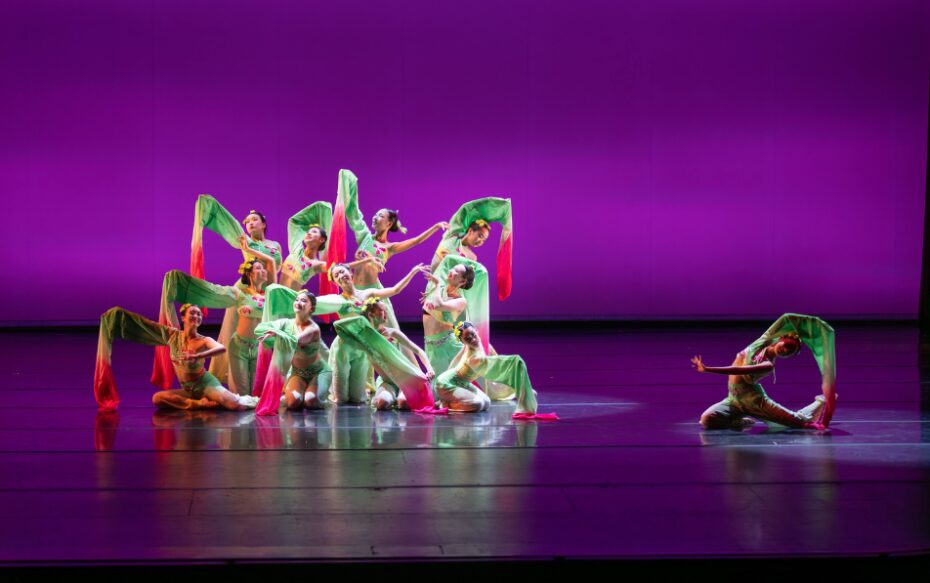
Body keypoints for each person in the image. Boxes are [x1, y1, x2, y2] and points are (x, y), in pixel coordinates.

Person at [334, 169, 448, 332]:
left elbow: (416, 241)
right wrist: (348, 182)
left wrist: (436, 227)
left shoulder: (390, 248)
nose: (375, 217)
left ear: (388, 223)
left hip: (375, 291)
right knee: (354, 331)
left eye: (380, 216)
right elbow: (353, 214)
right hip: (354, 290)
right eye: (375, 214)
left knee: (391, 330)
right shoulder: (364, 236)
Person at [94, 304, 257, 412]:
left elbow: (221, 348)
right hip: (189, 390)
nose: (197, 316)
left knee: (234, 404)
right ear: (183, 317)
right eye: (193, 313)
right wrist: (118, 317)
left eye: (199, 314)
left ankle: (260, 401)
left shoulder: (203, 340)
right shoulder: (172, 337)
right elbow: (147, 326)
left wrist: (199, 355)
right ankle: (199, 404)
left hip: (206, 385)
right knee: (158, 398)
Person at [692, 313, 837, 430]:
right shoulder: (762, 342)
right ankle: (737, 420)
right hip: (733, 399)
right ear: (781, 337)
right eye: (787, 345)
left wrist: (708, 369)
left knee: (799, 421)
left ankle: (822, 401)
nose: (785, 350)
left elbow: (738, 370)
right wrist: (811, 326)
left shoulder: (768, 365)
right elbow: (786, 318)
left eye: (790, 352)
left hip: (755, 401)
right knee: (707, 420)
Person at [316, 261, 431, 404]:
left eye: (342, 271)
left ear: (350, 273)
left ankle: (389, 391)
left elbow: (395, 290)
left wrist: (413, 271)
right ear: (335, 282)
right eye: (336, 275)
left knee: (358, 397)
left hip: (364, 344)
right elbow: (317, 302)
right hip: (345, 345)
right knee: (341, 398)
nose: (341, 275)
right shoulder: (338, 300)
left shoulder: (368, 294)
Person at [434, 322, 556, 420]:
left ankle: (448, 399)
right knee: (477, 404)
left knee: (486, 402)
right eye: (467, 338)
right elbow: (498, 372)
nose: (472, 339)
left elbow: (494, 358)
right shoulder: (474, 359)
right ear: (463, 341)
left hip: (461, 383)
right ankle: (444, 404)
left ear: (476, 331)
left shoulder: (479, 345)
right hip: (446, 383)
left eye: (473, 334)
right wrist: (519, 387)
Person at [255, 290, 329, 410]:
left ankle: (315, 395)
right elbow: (262, 327)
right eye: (297, 300)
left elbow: (295, 340)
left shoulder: (313, 328)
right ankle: (295, 394)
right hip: (298, 373)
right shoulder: (286, 323)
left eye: (303, 301)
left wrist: (277, 333)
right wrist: (271, 331)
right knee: (293, 403)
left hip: (318, 373)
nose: (298, 302)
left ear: (312, 308)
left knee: (310, 400)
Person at [359, 297, 435, 411]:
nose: (386, 314)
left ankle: (399, 397)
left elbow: (418, 350)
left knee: (403, 402)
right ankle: (392, 396)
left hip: (406, 380)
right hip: (388, 382)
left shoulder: (393, 333)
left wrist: (429, 369)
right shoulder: (366, 338)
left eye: (386, 310)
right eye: (382, 311)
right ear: (371, 314)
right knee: (382, 403)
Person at [430, 197, 513, 300]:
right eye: (480, 236)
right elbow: (465, 209)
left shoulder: (472, 258)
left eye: (484, 240)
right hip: (433, 288)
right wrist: (502, 207)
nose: (480, 242)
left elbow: (465, 284)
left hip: (448, 296)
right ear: (470, 231)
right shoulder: (452, 237)